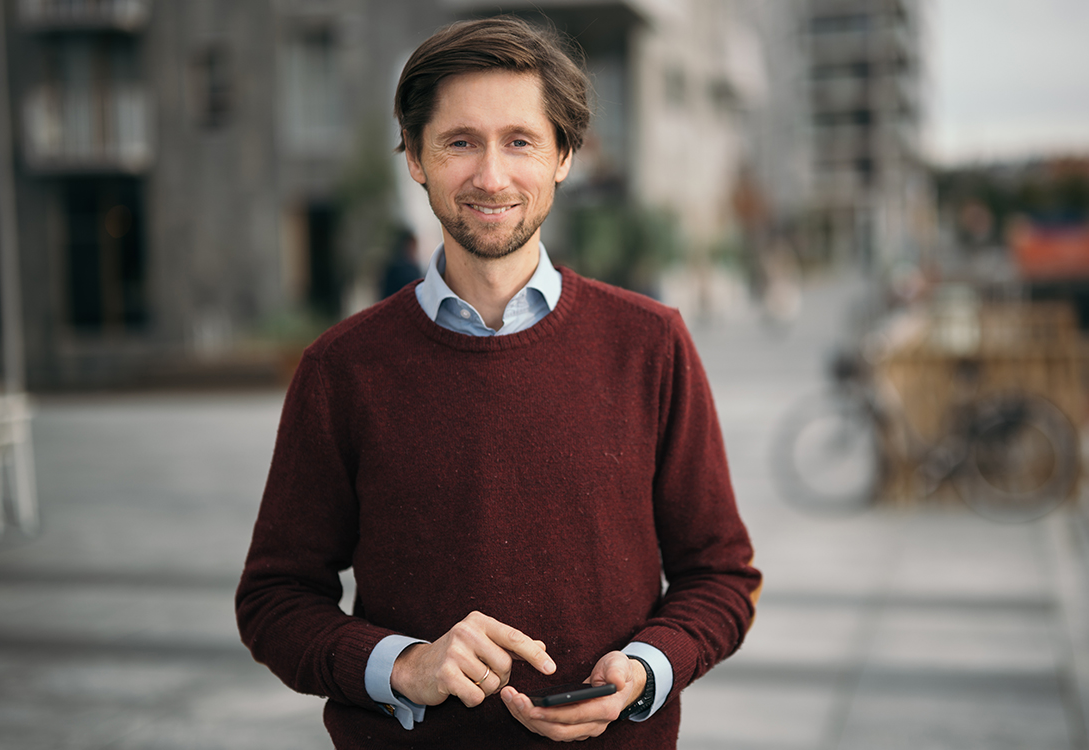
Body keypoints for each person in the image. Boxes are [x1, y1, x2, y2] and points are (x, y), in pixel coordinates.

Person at [236, 16, 761, 749]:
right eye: (459, 142)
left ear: (564, 157)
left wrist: (647, 668)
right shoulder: (341, 369)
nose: (491, 175)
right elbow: (274, 600)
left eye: (520, 141)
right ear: (415, 158)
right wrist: (402, 666)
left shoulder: (652, 345)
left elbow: (721, 576)